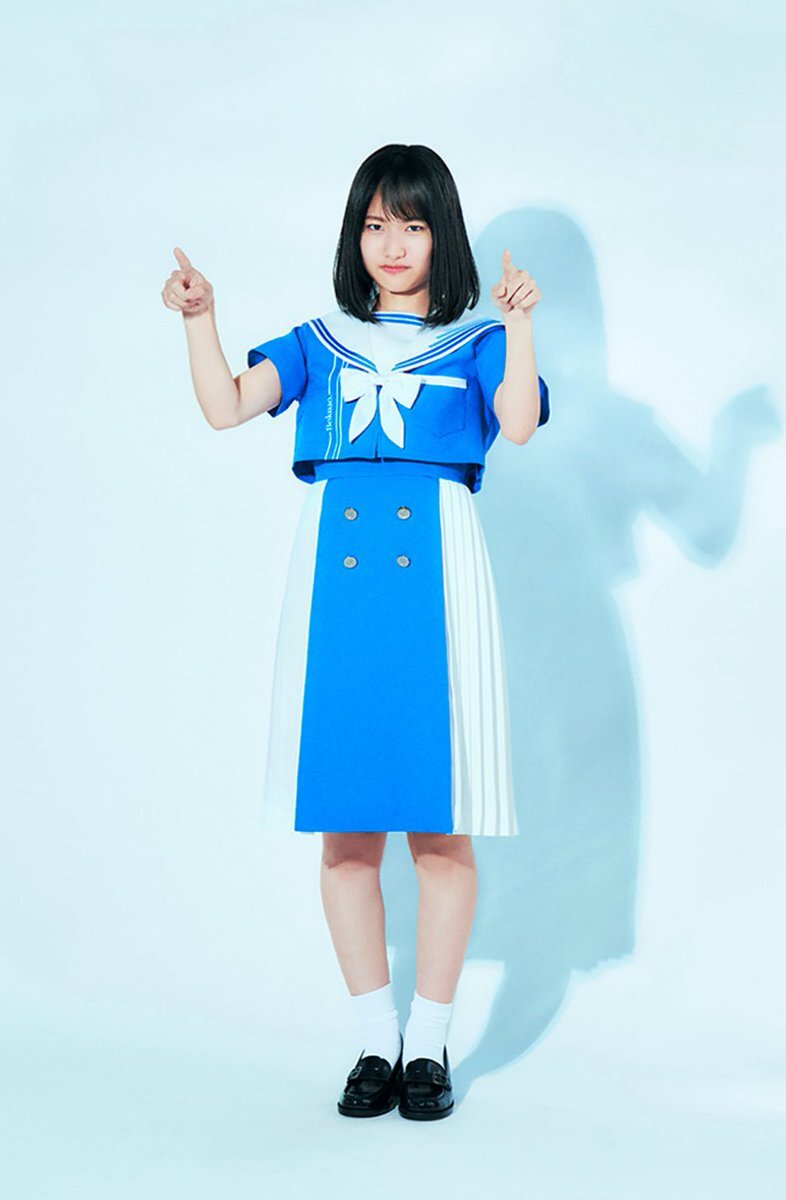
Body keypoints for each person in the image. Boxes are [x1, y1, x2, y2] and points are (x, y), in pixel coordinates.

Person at [161, 143, 548, 1121]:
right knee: (346, 839)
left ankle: (430, 1044)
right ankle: (377, 1039)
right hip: (339, 597)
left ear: (441, 234)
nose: (392, 243)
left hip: (440, 592)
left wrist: (519, 327)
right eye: (375, 224)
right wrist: (201, 320)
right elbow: (224, 407)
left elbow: (518, 423)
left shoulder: (474, 341)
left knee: (442, 834)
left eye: (411, 224)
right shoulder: (319, 342)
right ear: (355, 236)